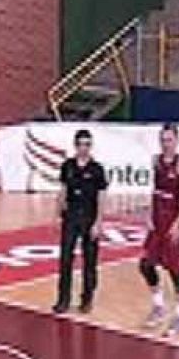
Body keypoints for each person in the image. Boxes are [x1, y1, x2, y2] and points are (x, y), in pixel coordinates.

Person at [140, 125, 179, 339]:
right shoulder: (156, 161)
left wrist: (178, 223)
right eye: (163, 140)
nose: (166, 144)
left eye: (169, 140)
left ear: (177, 141)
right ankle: (158, 305)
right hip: (158, 217)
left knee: (176, 270)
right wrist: (148, 214)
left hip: (175, 220)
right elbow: (154, 190)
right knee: (146, 264)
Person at [53, 129, 108, 315]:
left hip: (89, 216)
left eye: (87, 144)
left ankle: (87, 298)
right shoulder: (67, 166)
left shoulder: (97, 169)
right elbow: (62, 190)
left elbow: (101, 196)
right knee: (66, 258)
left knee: (89, 261)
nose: (84, 148)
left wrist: (98, 222)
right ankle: (63, 299)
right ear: (75, 146)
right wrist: (57, 213)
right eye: (80, 144)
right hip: (71, 217)